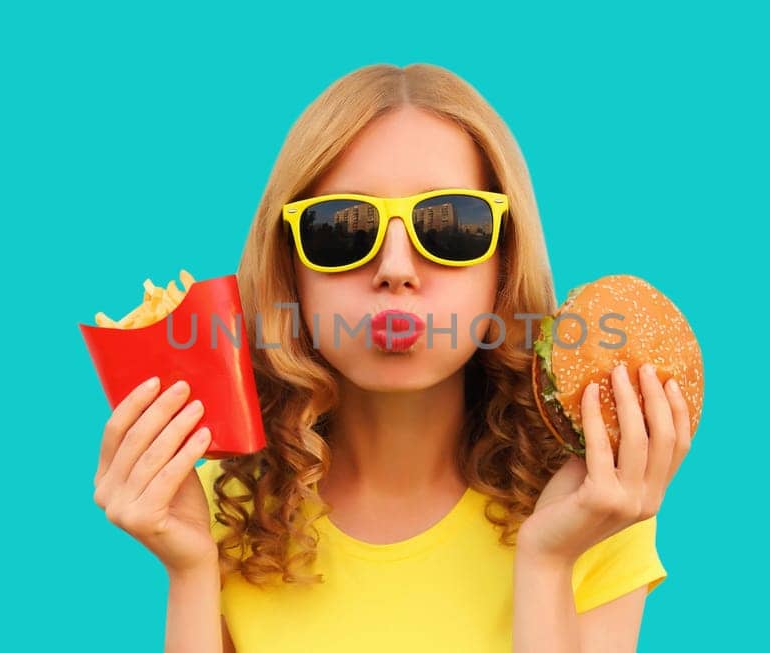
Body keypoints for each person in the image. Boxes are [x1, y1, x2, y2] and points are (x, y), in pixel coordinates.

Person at [93, 63, 695, 653]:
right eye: (342, 230)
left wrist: (548, 561)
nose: (397, 270)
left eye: (452, 226)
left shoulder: (596, 506)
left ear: (503, 265)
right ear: (290, 270)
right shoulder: (223, 507)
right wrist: (192, 569)